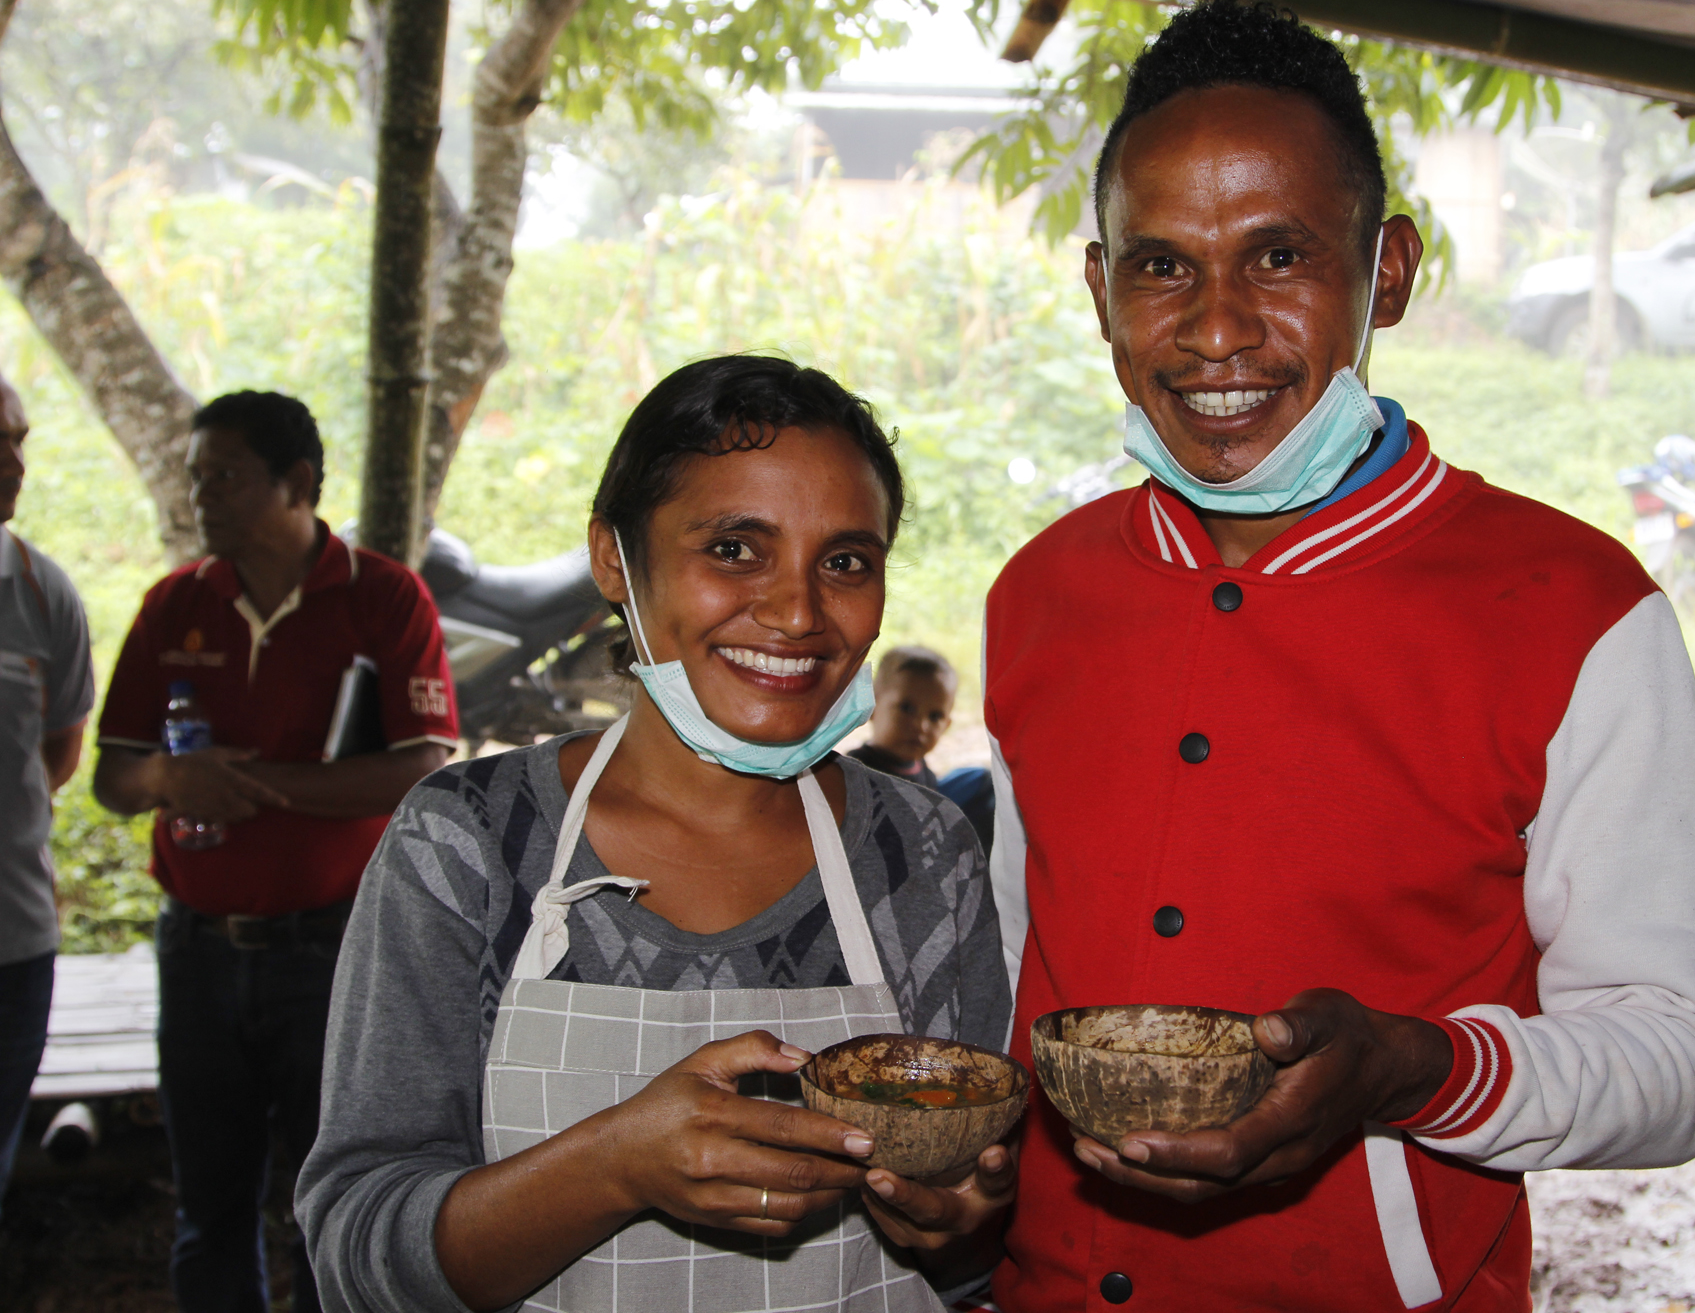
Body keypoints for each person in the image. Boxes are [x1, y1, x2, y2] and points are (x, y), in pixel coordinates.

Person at [981, 1, 1695, 1311]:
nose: (1217, 330)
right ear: (1100, 288)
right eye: (1161, 266)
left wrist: (1420, 1070)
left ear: (1385, 270)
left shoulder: (1573, 612)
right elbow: (1009, 969)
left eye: (1279, 256)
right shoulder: (1039, 596)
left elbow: (1680, 1061)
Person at [298, 355, 1013, 1313]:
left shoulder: (924, 853)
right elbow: (357, 1254)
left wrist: (968, 1224)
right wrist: (611, 1166)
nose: (799, 612)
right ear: (613, 560)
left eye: (845, 560)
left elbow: (977, 1249)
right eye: (733, 548)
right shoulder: (466, 844)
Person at [93, 391, 459, 1313]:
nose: (200, 496)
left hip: (335, 950)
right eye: (194, 477)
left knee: (329, 1202)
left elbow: (419, 765)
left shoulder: (381, 597)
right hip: (198, 949)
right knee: (209, 1204)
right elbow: (114, 774)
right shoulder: (175, 602)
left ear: (296, 483)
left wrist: (250, 785)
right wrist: (170, 784)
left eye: (223, 476)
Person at [0, 377, 93, 1212]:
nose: (12, 461)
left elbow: (59, 752)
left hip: (13, 944)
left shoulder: (37, 589)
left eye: (20, 438)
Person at [848, 645, 957, 790]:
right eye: (907, 709)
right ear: (871, 706)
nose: (921, 726)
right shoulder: (853, 772)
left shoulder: (926, 775)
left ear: (946, 726)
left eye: (935, 717)